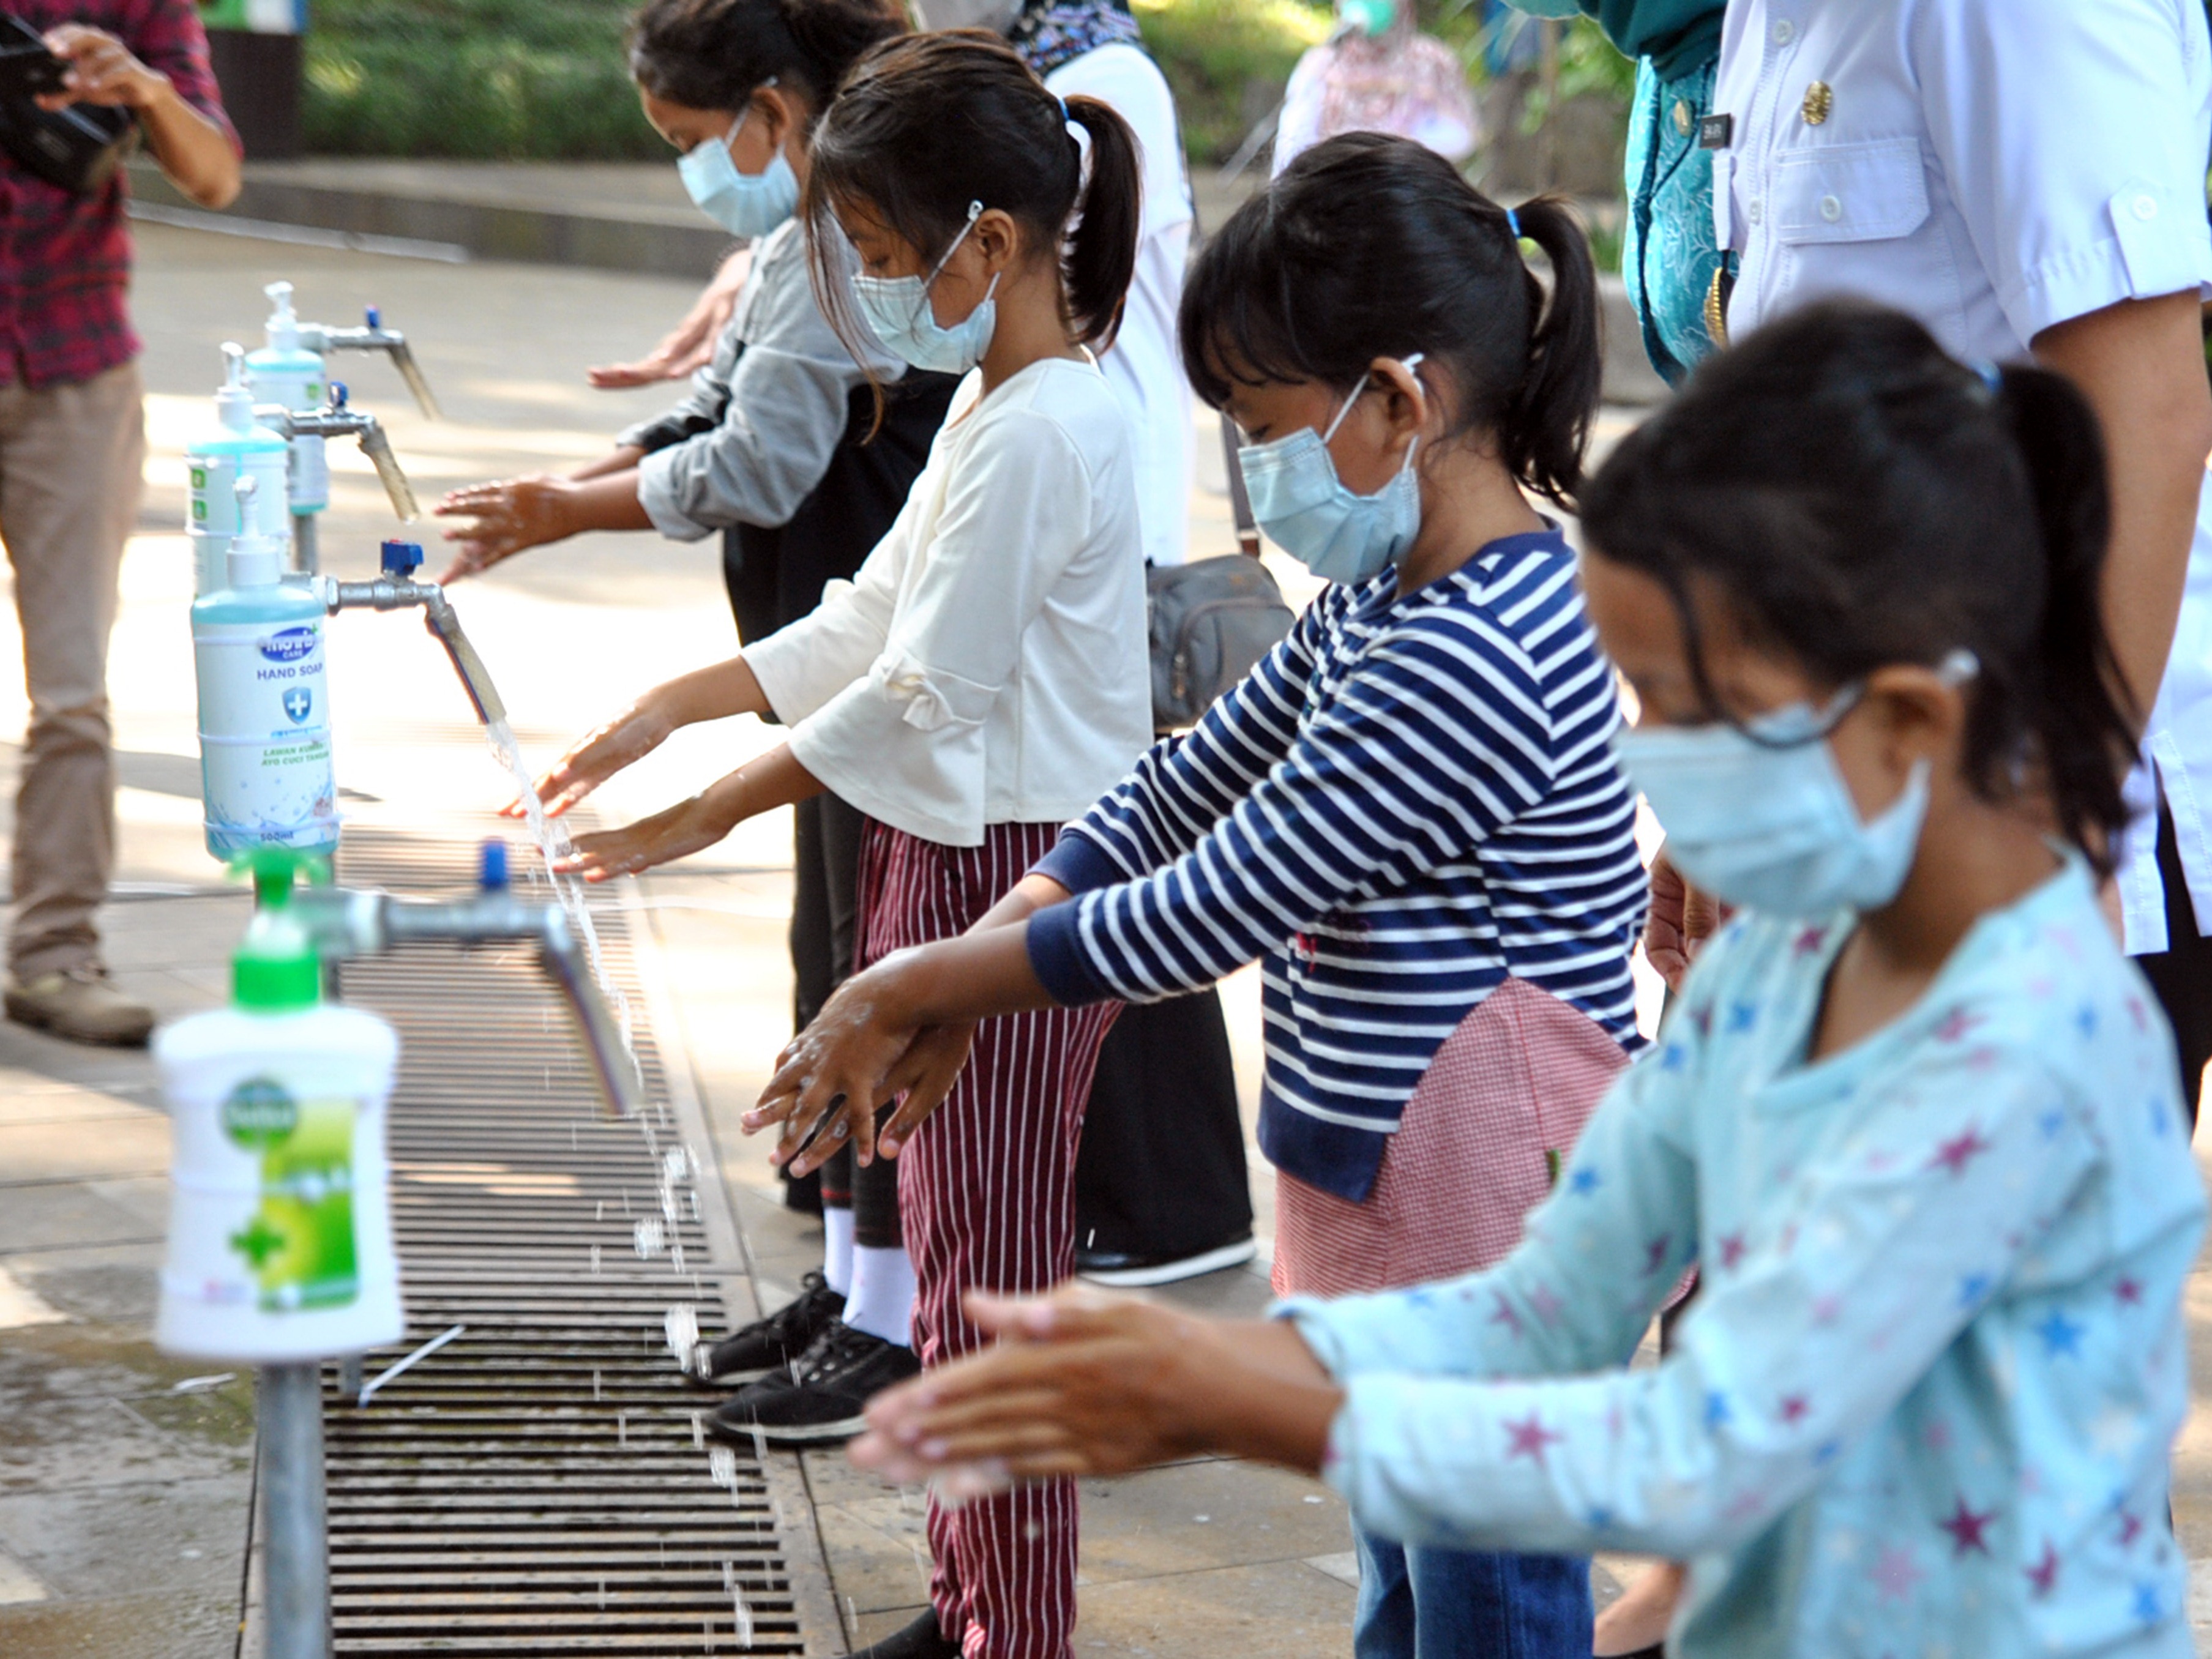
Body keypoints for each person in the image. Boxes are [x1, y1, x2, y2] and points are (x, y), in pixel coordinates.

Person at [847, 300, 2209, 1659]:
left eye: (1687, 705)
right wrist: (1237, 1366)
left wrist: (1246, 1397)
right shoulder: (1774, 975)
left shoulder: (2025, 1053)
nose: (1644, 760)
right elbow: (1542, 1305)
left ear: (1906, 716)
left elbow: (1707, 1446)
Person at [749, 133, 1650, 1659]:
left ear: (1401, 398)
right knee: (1409, 1568)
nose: (1251, 463)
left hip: (1488, 1196)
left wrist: (911, 985)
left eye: (1268, 422)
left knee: (1486, 1593)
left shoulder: (1472, 649)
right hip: (1391, 1163)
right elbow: (1184, 783)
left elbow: (1212, 904)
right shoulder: (1382, 595)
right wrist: (976, 938)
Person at [528, 33, 1152, 1658]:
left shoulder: (1043, 426)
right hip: (948, 851)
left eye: (880, 259)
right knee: (950, 1260)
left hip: (1011, 875)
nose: (873, 290)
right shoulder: (996, 399)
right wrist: (679, 700)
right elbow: (872, 615)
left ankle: (1008, 1628)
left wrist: (708, 801)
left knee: (991, 1280)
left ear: (988, 243)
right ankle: (972, 1604)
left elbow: (925, 685)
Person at [434, 0, 961, 1409]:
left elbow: (767, 461)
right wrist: (579, 500)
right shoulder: (810, 242)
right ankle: (855, 1283)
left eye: (689, 144)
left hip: (883, 710)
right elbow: (738, 423)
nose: (691, 173)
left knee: (875, 974)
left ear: (774, 113)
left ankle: (901, 1312)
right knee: (836, 958)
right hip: (830, 668)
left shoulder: (863, 271)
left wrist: (571, 513)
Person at [912, 0, 1257, 1288]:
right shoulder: (1058, 77)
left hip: (1106, 526)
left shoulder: (1101, 83)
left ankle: (1177, 1204)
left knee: (1121, 861)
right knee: (1109, 841)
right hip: (1080, 509)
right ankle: (1147, 1195)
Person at [0, 6, 239, 1045]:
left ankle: (55, 957)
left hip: (74, 362)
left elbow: (217, 174)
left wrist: (142, 87)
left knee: (72, 694)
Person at [1272, 0, 1480, 176]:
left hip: (1409, 190)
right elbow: (1293, 141)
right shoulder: (1323, 63)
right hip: (1333, 191)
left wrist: (1391, 151)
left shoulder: (1429, 62)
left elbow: (1461, 137)